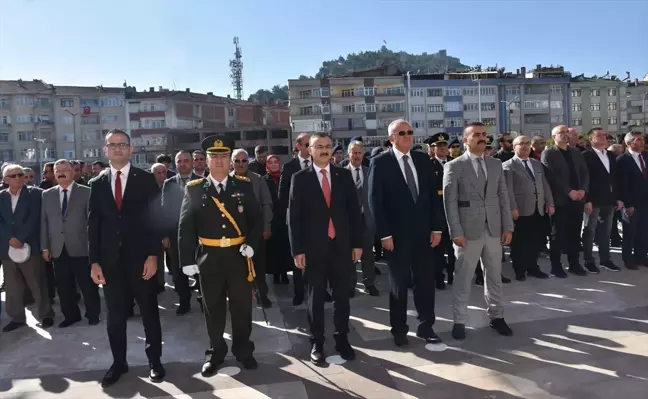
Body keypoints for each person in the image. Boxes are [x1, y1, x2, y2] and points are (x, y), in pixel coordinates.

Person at [178, 135, 263, 376]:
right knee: (213, 308)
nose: (218, 161)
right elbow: (185, 227)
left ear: (230, 161)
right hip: (209, 258)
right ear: (205, 160)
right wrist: (186, 260)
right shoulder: (194, 190)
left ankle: (244, 350)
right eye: (213, 157)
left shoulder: (243, 187)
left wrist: (252, 244)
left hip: (238, 256)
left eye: (223, 156)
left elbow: (257, 221)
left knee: (242, 307)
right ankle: (215, 352)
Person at [88, 129, 165, 386]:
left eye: (122, 144)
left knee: (149, 312)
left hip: (141, 258)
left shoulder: (145, 179)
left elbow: (155, 221)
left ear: (131, 149)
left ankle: (154, 360)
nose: (118, 149)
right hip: (110, 262)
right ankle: (119, 363)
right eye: (113, 145)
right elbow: (93, 225)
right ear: (105, 150)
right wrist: (94, 261)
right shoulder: (96, 183)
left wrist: (154, 256)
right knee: (115, 316)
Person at [288, 132, 364, 365]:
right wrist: (297, 250)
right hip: (314, 249)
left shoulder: (343, 176)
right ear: (309, 150)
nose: (324, 150)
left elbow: (354, 213)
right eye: (318, 146)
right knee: (315, 298)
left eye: (328, 146)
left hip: (341, 247)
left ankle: (342, 339)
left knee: (342, 297)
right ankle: (317, 342)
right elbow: (294, 217)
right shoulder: (300, 178)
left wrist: (358, 244)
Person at [369, 119, 444, 347]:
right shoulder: (380, 162)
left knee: (425, 283)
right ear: (391, 137)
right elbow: (375, 201)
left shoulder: (422, 160)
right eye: (402, 133)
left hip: (423, 234)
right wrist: (384, 235)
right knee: (399, 285)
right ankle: (399, 329)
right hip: (396, 236)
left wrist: (437, 228)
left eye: (410, 132)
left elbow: (433, 197)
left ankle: (426, 326)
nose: (408, 136)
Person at [443, 122, 514, 340]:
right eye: (476, 135)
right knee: (463, 278)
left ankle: (497, 316)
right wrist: (456, 232)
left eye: (484, 135)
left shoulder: (494, 164)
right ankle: (459, 320)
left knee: (494, 276)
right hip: (467, 231)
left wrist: (508, 226)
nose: (482, 138)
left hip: (493, 229)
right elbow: (450, 202)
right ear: (465, 140)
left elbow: (503, 196)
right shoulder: (454, 166)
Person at [41, 159, 100, 327]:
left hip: (82, 246)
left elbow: (93, 222)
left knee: (87, 284)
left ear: (73, 172)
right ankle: (71, 315)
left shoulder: (86, 192)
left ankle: (92, 314)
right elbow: (44, 222)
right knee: (64, 286)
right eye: (57, 170)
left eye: (64, 170)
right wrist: (45, 246)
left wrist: (93, 245)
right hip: (57, 247)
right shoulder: (47, 194)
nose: (60, 173)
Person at [0, 164, 54, 332]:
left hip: (30, 246)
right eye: (13, 175)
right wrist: (10, 238)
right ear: (6, 179)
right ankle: (17, 318)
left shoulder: (36, 194)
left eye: (20, 175)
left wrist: (20, 238)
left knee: (37, 283)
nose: (18, 178)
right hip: (7, 248)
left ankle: (46, 315)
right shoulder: (1, 196)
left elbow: (35, 218)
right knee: (12, 286)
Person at [502, 136, 554, 280]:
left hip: (538, 209)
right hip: (521, 210)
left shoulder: (536, 164)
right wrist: (512, 208)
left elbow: (544, 184)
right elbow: (508, 190)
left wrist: (550, 203)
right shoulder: (508, 166)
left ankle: (533, 267)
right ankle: (520, 269)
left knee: (536, 240)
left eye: (527, 143)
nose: (524, 146)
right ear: (514, 147)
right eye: (521, 144)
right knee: (520, 242)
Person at [541, 125, 589, 277]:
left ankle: (574, 264)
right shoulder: (548, 153)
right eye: (560, 132)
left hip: (578, 199)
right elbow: (552, 177)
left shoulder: (575, 151)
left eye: (566, 132)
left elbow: (584, 172)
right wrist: (569, 191)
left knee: (575, 234)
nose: (564, 135)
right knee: (558, 235)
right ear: (553, 136)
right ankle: (556, 266)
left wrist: (583, 190)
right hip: (560, 200)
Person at [231, 148, 274, 308]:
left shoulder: (258, 179)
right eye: (237, 161)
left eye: (244, 161)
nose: (240, 164)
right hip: (233, 233)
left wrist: (266, 226)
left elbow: (266, 204)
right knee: (236, 268)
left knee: (258, 266)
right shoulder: (226, 180)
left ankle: (262, 295)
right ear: (232, 162)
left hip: (255, 231)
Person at [160, 150, 201, 314]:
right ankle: (184, 301)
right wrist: (165, 235)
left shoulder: (201, 181)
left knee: (200, 269)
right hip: (176, 236)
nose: (182, 164)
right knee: (178, 271)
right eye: (179, 161)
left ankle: (204, 299)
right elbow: (164, 211)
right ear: (175, 164)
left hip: (199, 235)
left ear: (192, 163)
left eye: (186, 161)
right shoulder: (169, 184)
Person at [345, 140, 379, 297]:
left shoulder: (370, 172)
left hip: (367, 221)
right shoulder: (341, 173)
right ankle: (350, 285)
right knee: (349, 256)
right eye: (354, 153)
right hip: (349, 223)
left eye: (359, 153)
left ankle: (369, 283)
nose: (357, 156)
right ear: (349, 154)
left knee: (368, 255)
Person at [424, 133, 456, 289]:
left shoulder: (454, 163)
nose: (443, 148)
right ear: (433, 148)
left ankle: (452, 275)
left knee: (453, 248)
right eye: (439, 146)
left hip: (454, 212)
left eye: (445, 145)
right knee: (437, 250)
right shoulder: (428, 165)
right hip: (437, 213)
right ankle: (438, 278)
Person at [264, 154, 292, 285]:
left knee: (284, 246)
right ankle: (275, 273)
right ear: (267, 165)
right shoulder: (264, 180)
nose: (274, 164)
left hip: (284, 217)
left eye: (276, 162)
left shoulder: (285, 178)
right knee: (273, 248)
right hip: (271, 218)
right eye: (271, 162)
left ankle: (284, 273)